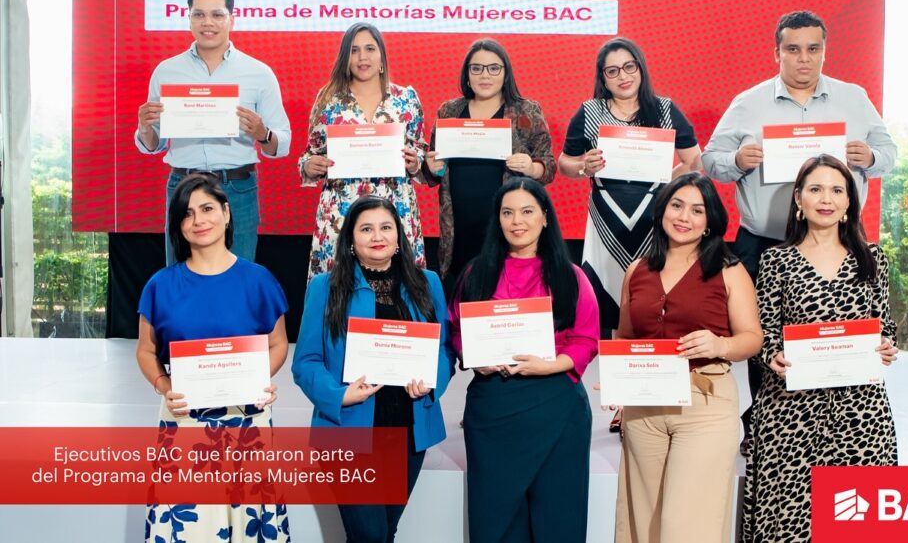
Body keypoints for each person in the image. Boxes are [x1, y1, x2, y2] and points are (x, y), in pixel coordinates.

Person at [701, 10, 897, 448]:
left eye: (813, 49)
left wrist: (870, 157)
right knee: (763, 338)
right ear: (777, 53)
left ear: (825, 51)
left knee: (836, 335)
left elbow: (889, 153)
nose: (803, 58)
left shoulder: (854, 98)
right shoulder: (748, 102)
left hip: (837, 242)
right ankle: (766, 426)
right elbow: (711, 160)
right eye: (793, 49)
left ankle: (839, 430)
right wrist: (736, 161)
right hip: (764, 242)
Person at [742, 155, 899, 542]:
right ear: (799, 198)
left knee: (854, 524)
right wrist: (772, 354)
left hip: (860, 410)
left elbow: (884, 323)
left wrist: (886, 345)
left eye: (836, 190)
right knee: (789, 523)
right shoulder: (775, 260)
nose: (826, 199)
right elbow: (762, 331)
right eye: (815, 189)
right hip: (790, 411)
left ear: (849, 202)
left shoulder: (873, 258)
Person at [135, 173, 290, 542]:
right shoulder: (160, 285)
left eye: (207, 209)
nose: (198, 221)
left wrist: (260, 379)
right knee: (189, 525)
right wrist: (164, 386)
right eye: (187, 214)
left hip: (247, 418)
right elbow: (145, 350)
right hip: (184, 417)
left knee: (251, 523)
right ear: (178, 226)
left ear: (226, 212)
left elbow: (278, 344)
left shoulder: (259, 280)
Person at [292, 195, 454, 543]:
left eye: (385, 227)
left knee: (384, 533)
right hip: (347, 429)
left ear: (399, 235)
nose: (377, 236)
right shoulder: (325, 287)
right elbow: (305, 362)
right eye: (366, 229)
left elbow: (444, 348)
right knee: (370, 534)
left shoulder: (427, 283)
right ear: (351, 239)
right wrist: (338, 395)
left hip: (409, 431)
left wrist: (431, 382)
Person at [614, 173, 762, 543]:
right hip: (644, 408)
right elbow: (627, 337)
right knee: (643, 524)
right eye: (676, 206)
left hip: (705, 405)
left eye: (697, 210)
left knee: (687, 528)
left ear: (709, 221)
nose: (684, 217)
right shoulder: (637, 270)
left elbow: (752, 338)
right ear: (662, 211)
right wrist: (619, 384)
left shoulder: (729, 270)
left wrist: (720, 345)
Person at [450, 178, 600, 543]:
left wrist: (549, 365)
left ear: (545, 217)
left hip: (556, 405)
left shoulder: (571, 276)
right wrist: (474, 357)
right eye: (508, 213)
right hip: (493, 408)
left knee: (559, 521)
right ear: (498, 220)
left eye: (527, 211)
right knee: (495, 522)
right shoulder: (476, 273)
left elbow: (586, 339)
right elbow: (456, 330)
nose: (517, 221)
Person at [135, 0, 291, 265]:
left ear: (232, 19)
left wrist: (262, 133)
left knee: (238, 278)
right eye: (199, 14)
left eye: (217, 14)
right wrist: (145, 128)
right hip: (182, 185)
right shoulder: (166, 71)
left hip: (237, 189)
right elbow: (155, 144)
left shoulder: (258, 73)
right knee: (181, 278)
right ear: (189, 18)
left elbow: (282, 143)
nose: (208, 22)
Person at [558, 37, 702, 340]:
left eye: (629, 67)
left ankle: (653, 362)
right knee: (607, 302)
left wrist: (666, 185)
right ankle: (616, 365)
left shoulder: (664, 109)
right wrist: (584, 165)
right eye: (612, 71)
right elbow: (564, 163)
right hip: (605, 221)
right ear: (603, 77)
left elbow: (694, 161)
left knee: (653, 298)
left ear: (640, 68)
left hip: (655, 220)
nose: (622, 76)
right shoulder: (589, 112)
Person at [423, 38, 556, 289]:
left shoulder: (526, 111)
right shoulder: (449, 111)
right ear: (467, 74)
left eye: (494, 68)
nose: (485, 75)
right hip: (458, 225)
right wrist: (430, 166)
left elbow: (548, 167)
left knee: (504, 293)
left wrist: (531, 167)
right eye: (477, 68)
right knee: (463, 291)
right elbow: (433, 169)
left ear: (505, 74)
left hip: (508, 224)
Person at [299, 23, 427, 279]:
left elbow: (420, 151)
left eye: (370, 49)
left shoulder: (406, 98)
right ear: (345, 58)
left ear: (381, 55)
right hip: (341, 211)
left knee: (400, 287)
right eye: (354, 50)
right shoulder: (328, 99)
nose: (362, 57)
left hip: (395, 207)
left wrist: (416, 162)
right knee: (339, 288)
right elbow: (309, 154)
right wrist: (309, 165)